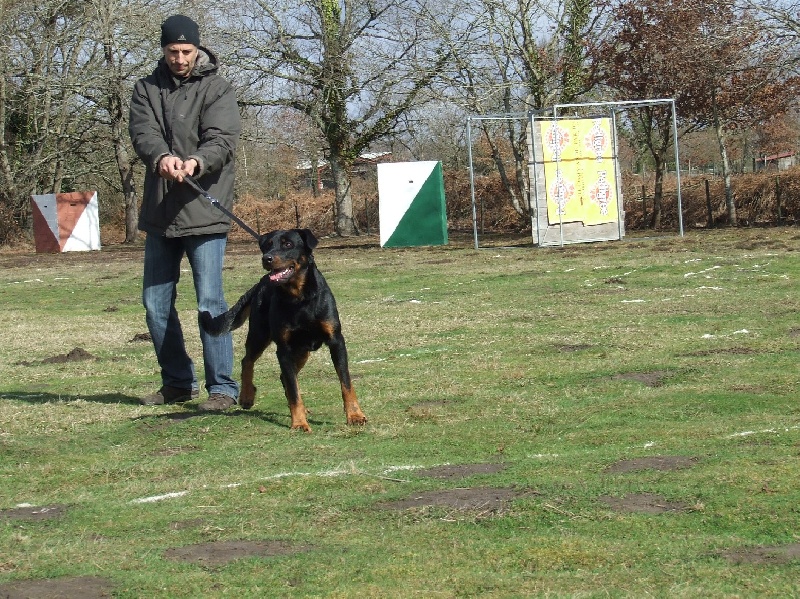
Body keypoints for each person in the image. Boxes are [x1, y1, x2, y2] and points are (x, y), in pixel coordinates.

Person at [129, 14, 241, 411]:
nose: (179, 58)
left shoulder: (217, 88)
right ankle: (177, 382)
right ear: (162, 50)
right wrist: (160, 157)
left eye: (186, 51)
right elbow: (144, 133)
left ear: (198, 49)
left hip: (204, 211)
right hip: (161, 214)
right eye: (172, 51)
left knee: (210, 300)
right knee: (155, 304)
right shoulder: (145, 89)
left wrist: (194, 162)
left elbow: (222, 140)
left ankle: (223, 388)